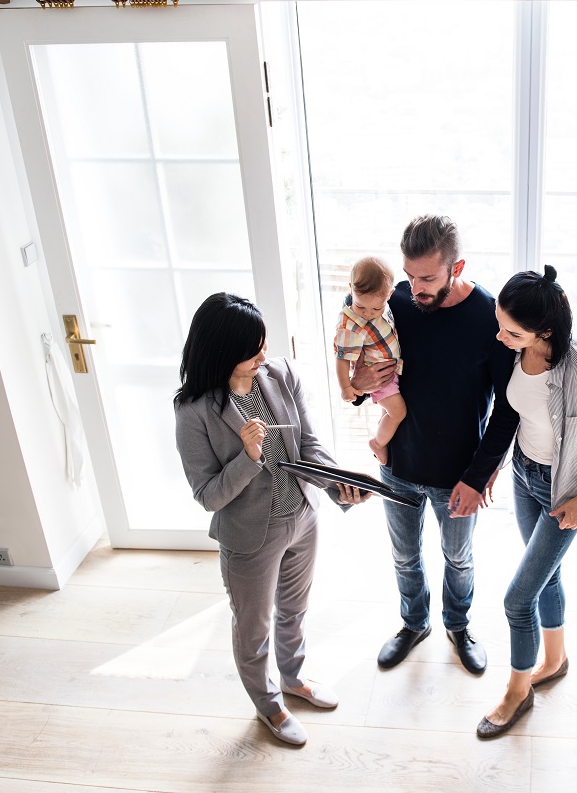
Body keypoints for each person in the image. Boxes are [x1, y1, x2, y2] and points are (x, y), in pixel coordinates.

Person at [174, 292, 370, 746]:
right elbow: (207, 495)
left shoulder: (280, 375)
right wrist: (248, 456)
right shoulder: (194, 412)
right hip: (249, 538)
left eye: (264, 342)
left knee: (295, 611)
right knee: (253, 626)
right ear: (223, 352)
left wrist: (340, 483)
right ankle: (267, 704)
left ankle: (294, 678)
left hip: (302, 516)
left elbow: (309, 448)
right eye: (253, 348)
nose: (265, 353)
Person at [467, 266, 577, 739]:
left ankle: (517, 693)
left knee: (518, 600)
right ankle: (556, 659)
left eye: (511, 330)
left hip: (564, 493)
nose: (500, 337)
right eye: (499, 324)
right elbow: (514, 414)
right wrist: (498, 466)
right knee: (546, 576)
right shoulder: (515, 353)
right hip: (525, 474)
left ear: (545, 331)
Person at [349, 215, 514, 676]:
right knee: (404, 555)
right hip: (399, 463)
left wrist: (478, 477)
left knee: (458, 558)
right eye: (409, 275)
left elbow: (508, 409)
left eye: (427, 277)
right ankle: (413, 622)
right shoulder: (394, 301)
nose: (414, 287)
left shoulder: (489, 316)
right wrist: (358, 383)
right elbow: (360, 359)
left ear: (456, 267)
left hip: (458, 475)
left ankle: (458, 626)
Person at [333, 256, 407, 466]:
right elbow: (342, 359)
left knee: (388, 412)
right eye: (360, 306)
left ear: (389, 295)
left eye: (375, 309)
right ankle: (377, 443)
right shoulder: (351, 324)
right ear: (350, 289)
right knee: (398, 412)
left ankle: (382, 437)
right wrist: (346, 387)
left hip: (390, 373)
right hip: (379, 377)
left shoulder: (385, 302)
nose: (367, 314)